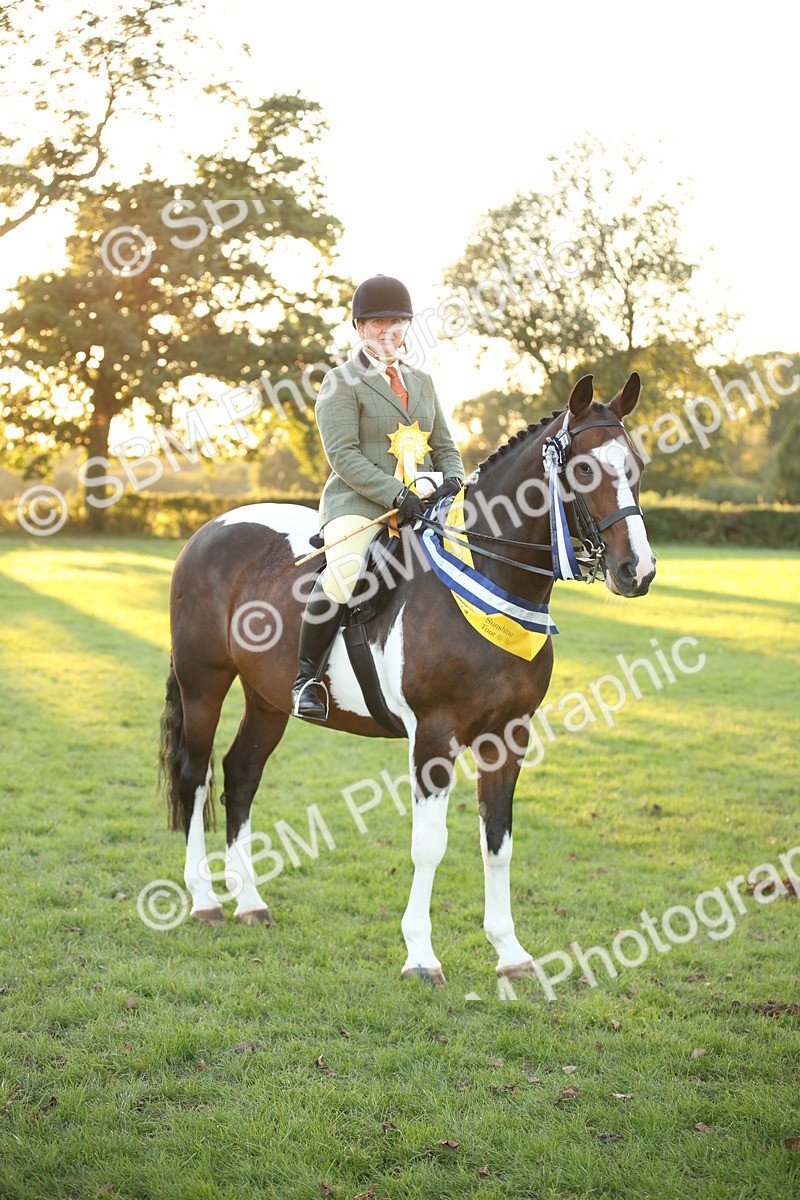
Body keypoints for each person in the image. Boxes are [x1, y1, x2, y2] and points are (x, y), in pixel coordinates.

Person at [291, 274, 464, 720]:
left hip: (423, 502)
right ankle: (306, 678)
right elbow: (343, 455)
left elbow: (445, 446)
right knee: (346, 573)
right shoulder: (340, 382)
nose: (389, 331)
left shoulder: (422, 382)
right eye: (378, 323)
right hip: (359, 504)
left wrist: (454, 479)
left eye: (397, 322)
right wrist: (395, 493)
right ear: (360, 327)